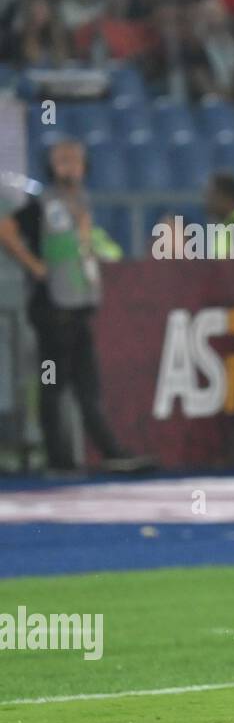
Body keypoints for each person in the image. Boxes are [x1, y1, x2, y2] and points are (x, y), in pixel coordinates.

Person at [0, 140, 149, 473]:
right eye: (61, 159)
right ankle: (59, 458)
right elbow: (6, 229)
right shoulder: (43, 203)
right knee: (54, 383)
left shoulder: (79, 201)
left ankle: (107, 451)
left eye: (74, 159)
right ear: (51, 167)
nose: (68, 165)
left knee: (86, 383)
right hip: (53, 308)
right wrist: (34, 266)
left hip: (77, 306)